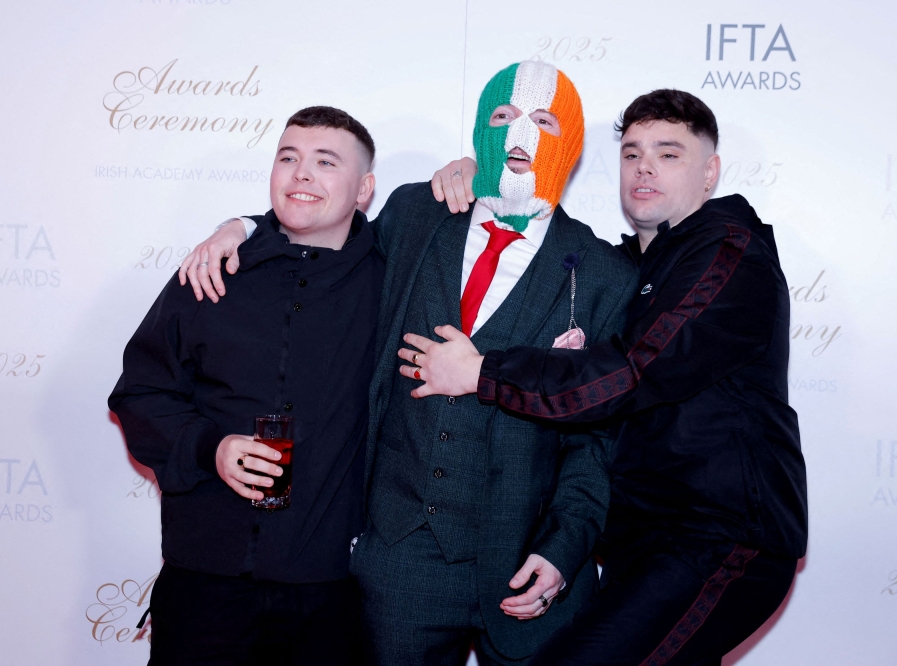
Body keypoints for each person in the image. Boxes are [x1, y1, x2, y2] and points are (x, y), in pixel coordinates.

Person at [178, 62, 637, 665]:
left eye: (544, 121)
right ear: (480, 131)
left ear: (570, 144)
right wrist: (239, 227)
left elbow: (596, 439)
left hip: (530, 561)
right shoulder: (417, 213)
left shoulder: (606, 273)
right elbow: (319, 224)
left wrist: (563, 550)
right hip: (398, 560)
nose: (519, 137)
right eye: (502, 118)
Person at [399, 89, 808, 666]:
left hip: (719, 540)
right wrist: (488, 177)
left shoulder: (727, 253)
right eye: (632, 153)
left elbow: (634, 372)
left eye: (669, 154)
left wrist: (482, 371)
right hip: (640, 544)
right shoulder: (631, 269)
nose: (645, 167)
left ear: (710, 171)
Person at [109, 106, 383, 665]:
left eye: (325, 162)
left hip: (330, 591)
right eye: (289, 158)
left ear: (364, 190)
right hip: (205, 582)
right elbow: (138, 393)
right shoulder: (213, 270)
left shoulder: (393, 281)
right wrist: (214, 448)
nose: (301, 174)